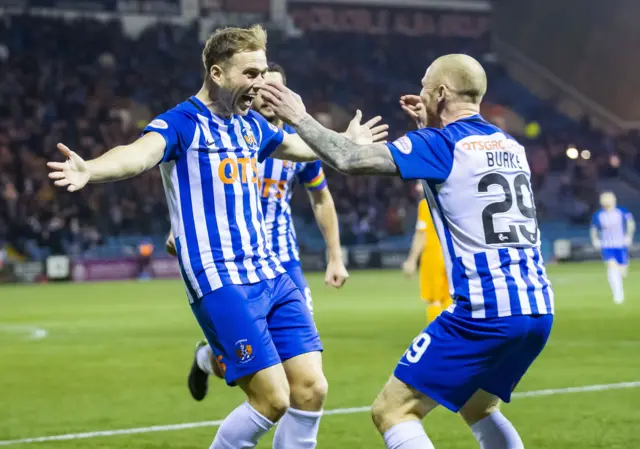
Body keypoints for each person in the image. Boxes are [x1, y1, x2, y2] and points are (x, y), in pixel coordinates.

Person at [47, 25, 386, 449]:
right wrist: (90, 169)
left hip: (272, 272)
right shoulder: (182, 123)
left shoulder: (249, 126)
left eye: (263, 73)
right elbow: (138, 154)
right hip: (220, 279)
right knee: (273, 399)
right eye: (250, 74)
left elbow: (302, 149)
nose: (260, 84)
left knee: (311, 390)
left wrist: (344, 142)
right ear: (217, 73)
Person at [260, 53, 554, 449]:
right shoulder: (510, 145)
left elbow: (349, 158)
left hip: (485, 311)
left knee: (392, 411)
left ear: (442, 92)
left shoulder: (440, 144)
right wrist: (429, 123)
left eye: (425, 85)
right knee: (477, 407)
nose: (419, 92)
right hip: (536, 309)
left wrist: (298, 116)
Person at [167, 62, 349, 403]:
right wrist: (176, 229)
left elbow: (321, 198)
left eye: (276, 90)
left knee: (303, 373)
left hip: (283, 261)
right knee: (255, 368)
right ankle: (208, 359)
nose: (268, 96)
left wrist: (335, 257)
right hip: (232, 263)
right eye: (262, 88)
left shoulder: (298, 149)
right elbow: (197, 190)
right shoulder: (229, 135)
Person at [402, 182, 451, 324]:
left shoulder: (425, 204)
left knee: (433, 300)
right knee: (449, 298)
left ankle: (438, 337)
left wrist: (411, 260)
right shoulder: (450, 201)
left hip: (433, 256)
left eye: (419, 183)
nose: (417, 187)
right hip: (451, 256)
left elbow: (421, 235)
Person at [590, 191, 635, 304]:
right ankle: (618, 295)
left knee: (622, 272)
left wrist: (629, 236)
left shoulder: (622, 212)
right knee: (611, 267)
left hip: (621, 245)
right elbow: (594, 228)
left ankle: (619, 287)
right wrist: (595, 240)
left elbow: (631, 223)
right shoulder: (599, 214)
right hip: (607, 246)